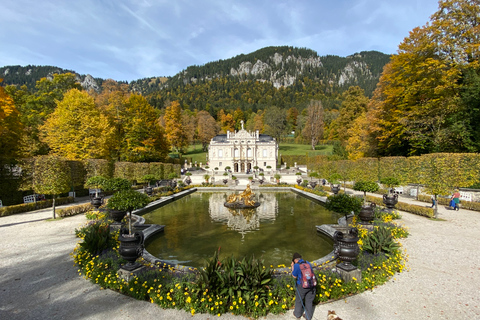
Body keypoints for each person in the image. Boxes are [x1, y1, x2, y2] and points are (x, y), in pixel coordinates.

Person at [291, 252, 316, 320]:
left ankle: (297, 314)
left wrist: (292, 266)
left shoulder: (296, 265)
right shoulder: (307, 262)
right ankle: (308, 316)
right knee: (309, 300)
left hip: (302, 286)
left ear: (295, 260)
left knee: (299, 300)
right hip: (311, 284)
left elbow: (294, 276)